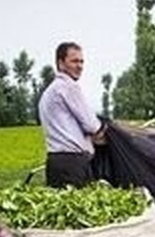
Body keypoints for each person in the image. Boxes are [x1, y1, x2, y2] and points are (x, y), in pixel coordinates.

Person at [38, 41, 106, 188]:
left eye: (82, 61)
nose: (80, 66)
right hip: (73, 162)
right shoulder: (68, 87)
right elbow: (92, 125)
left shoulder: (49, 92)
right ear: (61, 63)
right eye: (74, 61)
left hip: (55, 162)